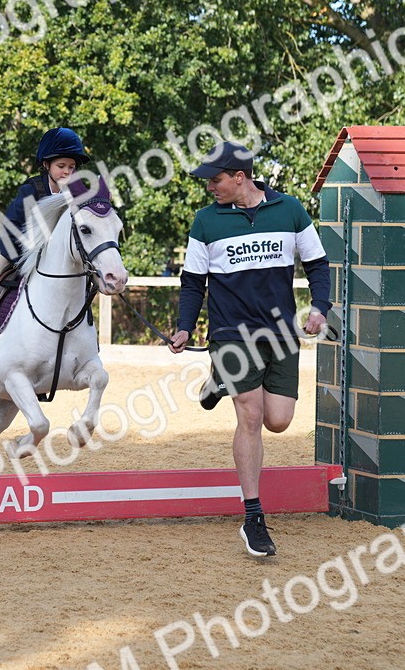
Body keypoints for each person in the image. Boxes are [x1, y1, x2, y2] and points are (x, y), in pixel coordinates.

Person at [168, 141, 330, 558]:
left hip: (279, 335)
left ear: (241, 177)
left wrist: (320, 308)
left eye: (216, 179)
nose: (210, 187)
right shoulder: (205, 221)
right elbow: (192, 282)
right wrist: (185, 327)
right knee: (252, 417)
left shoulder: (290, 210)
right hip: (231, 334)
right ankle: (253, 517)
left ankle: (218, 380)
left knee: (279, 420)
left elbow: (317, 264)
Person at [0, 127, 89, 356]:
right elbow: (13, 228)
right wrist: (24, 258)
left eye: (72, 167)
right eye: (61, 166)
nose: (67, 172)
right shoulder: (31, 189)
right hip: (17, 248)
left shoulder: (78, 192)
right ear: (46, 165)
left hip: (56, 258)